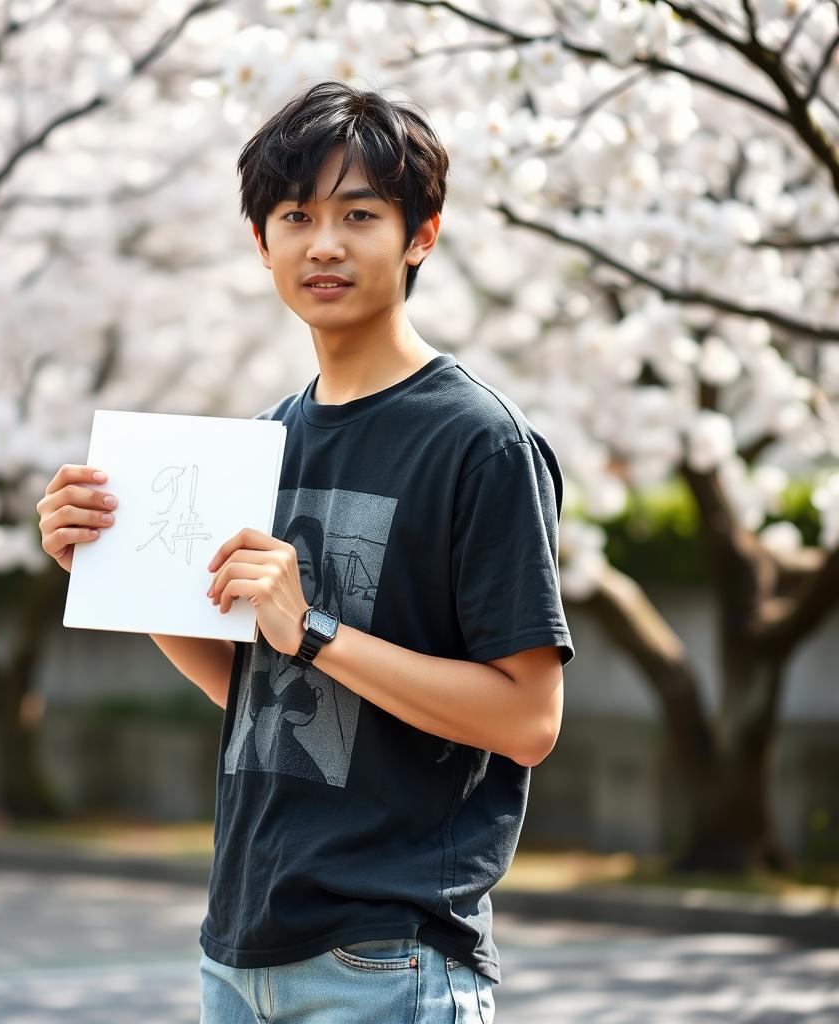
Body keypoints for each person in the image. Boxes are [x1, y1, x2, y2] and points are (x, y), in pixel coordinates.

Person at [37, 78, 575, 1024]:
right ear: (263, 244)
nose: (323, 243)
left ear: (421, 236)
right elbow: (256, 688)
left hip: (388, 958)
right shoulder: (262, 440)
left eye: (359, 214)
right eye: (296, 215)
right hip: (239, 951)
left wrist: (315, 628)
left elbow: (529, 719)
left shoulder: (479, 443)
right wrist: (110, 566)